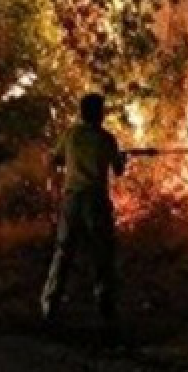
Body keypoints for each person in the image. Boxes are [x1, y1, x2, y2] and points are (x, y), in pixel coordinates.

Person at [40, 92, 127, 325]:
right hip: (96, 202)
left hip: (71, 201)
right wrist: (122, 158)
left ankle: (49, 305)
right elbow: (118, 170)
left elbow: (54, 159)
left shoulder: (70, 135)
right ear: (99, 113)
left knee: (63, 252)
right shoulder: (107, 139)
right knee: (101, 254)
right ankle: (104, 307)